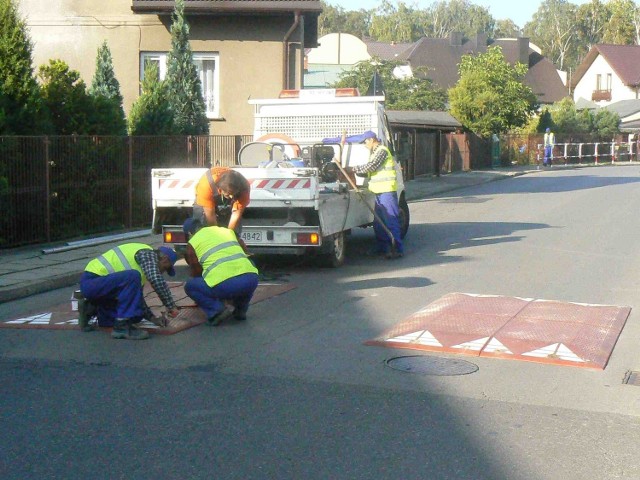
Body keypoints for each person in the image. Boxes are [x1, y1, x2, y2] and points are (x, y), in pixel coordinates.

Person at [78, 243, 180, 340]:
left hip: (101, 288)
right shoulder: (147, 253)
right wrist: (171, 306)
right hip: (92, 282)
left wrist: (153, 319)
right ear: (165, 259)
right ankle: (121, 328)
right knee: (133, 276)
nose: (162, 272)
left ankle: (92, 308)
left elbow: (137, 300)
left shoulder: (141, 269)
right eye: (165, 268)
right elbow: (155, 279)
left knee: (136, 315)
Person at [182, 218, 259, 326]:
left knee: (190, 285)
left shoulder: (192, 242)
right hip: (251, 279)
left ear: (189, 233)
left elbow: (196, 272)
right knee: (247, 271)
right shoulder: (226, 231)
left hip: (226, 285)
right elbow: (246, 253)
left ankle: (216, 310)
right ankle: (240, 309)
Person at [345, 130, 404, 259]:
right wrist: (358, 172)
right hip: (378, 192)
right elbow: (369, 171)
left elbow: (372, 167)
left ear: (372, 139)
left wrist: (354, 168)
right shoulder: (374, 153)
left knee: (391, 220)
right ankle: (383, 248)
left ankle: (397, 248)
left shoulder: (382, 151)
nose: (365, 144)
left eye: (365, 141)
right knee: (378, 222)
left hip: (386, 191)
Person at [193, 166, 251, 233]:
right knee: (203, 227)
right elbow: (210, 216)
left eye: (233, 194)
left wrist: (229, 234)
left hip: (231, 192)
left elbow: (236, 214)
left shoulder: (244, 188)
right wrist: (217, 236)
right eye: (228, 194)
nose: (231, 197)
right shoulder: (206, 185)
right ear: (220, 190)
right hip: (206, 200)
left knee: (234, 231)